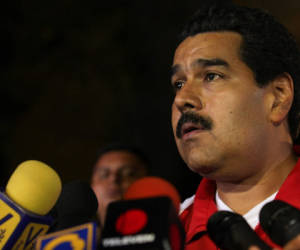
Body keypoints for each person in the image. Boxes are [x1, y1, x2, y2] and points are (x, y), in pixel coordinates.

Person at [171, 3, 300, 250]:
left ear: (278, 96)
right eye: (178, 84)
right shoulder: (170, 235)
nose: (181, 99)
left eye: (211, 76)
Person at [90, 144, 148, 226]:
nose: (113, 179)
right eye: (104, 175)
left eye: (128, 174)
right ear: (92, 187)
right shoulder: (77, 237)